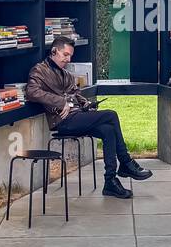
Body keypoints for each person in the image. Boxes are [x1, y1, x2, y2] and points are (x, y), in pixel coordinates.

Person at [25, 35, 152, 198]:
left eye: (70, 55)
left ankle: (110, 182)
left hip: (77, 116)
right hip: (63, 121)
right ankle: (126, 162)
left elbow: (75, 94)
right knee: (111, 115)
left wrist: (85, 104)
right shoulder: (39, 70)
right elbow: (32, 92)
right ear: (54, 51)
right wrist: (60, 101)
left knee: (108, 130)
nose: (68, 59)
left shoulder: (66, 74)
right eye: (65, 54)